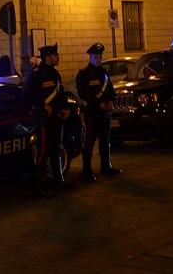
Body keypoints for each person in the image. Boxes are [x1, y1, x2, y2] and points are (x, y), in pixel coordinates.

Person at [21, 43, 74, 193]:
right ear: (48, 57)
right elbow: (27, 96)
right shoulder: (37, 74)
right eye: (55, 55)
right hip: (45, 119)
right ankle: (41, 183)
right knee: (43, 151)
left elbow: (60, 94)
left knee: (56, 149)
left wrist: (65, 109)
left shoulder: (55, 74)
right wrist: (43, 106)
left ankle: (58, 180)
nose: (58, 57)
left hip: (57, 118)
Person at [76, 42, 122, 181]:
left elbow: (110, 89)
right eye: (96, 56)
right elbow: (83, 93)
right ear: (90, 57)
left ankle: (106, 166)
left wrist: (110, 101)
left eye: (100, 56)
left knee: (105, 140)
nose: (99, 59)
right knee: (90, 141)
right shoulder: (84, 74)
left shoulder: (103, 72)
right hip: (93, 113)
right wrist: (98, 103)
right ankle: (87, 171)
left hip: (105, 113)